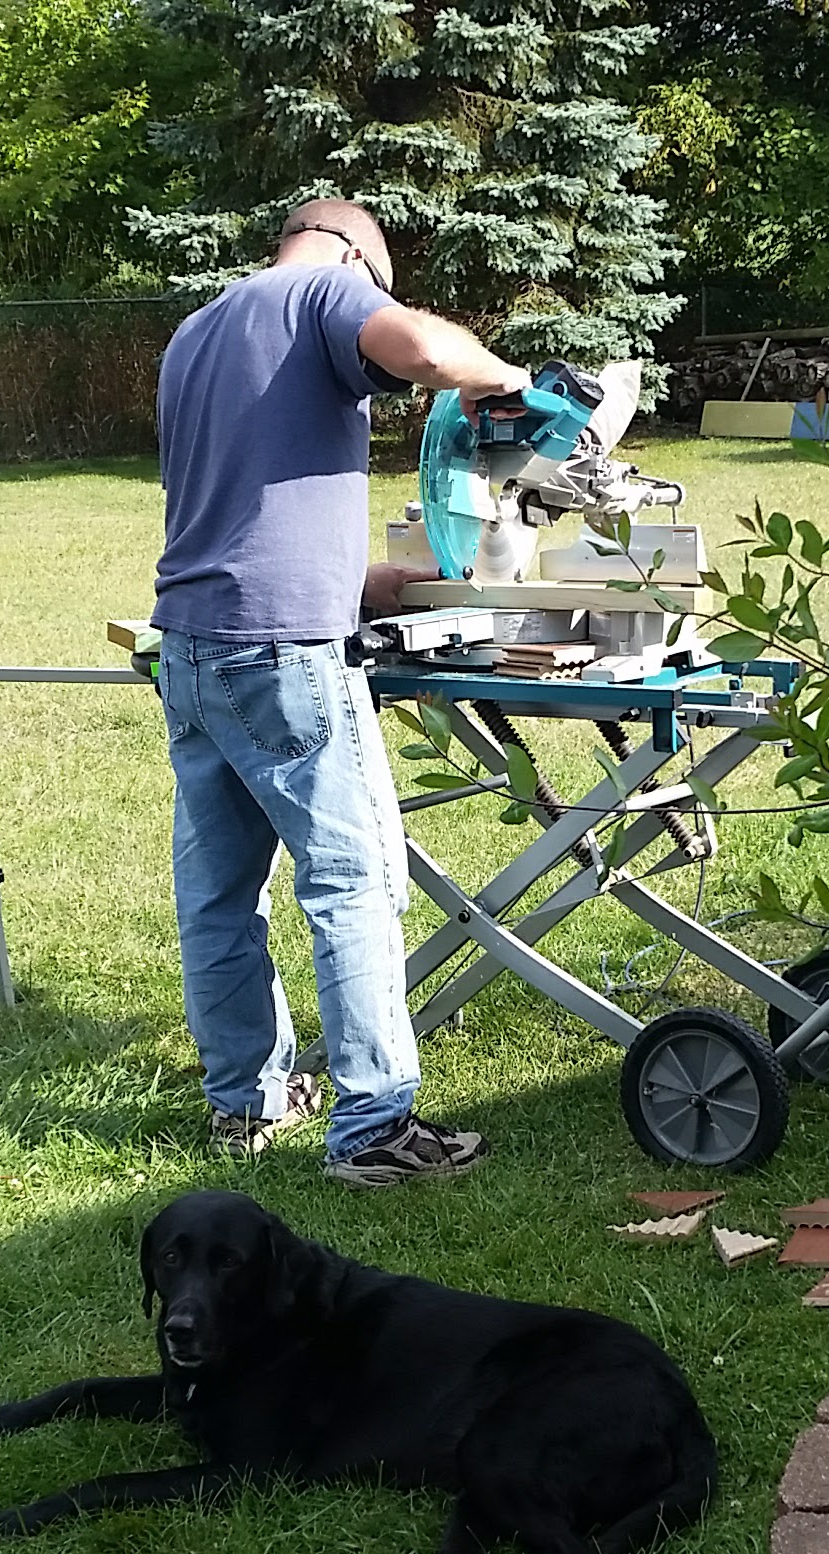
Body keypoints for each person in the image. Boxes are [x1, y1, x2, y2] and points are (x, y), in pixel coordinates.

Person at [149, 196, 531, 1186]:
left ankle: (247, 1104)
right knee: (353, 885)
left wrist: (365, 582)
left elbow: (236, 501)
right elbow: (425, 353)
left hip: (192, 646)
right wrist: (503, 378)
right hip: (280, 655)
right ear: (359, 255)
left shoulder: (195, 333)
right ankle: (374, 1133)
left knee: (220, 898)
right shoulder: (326, 289)